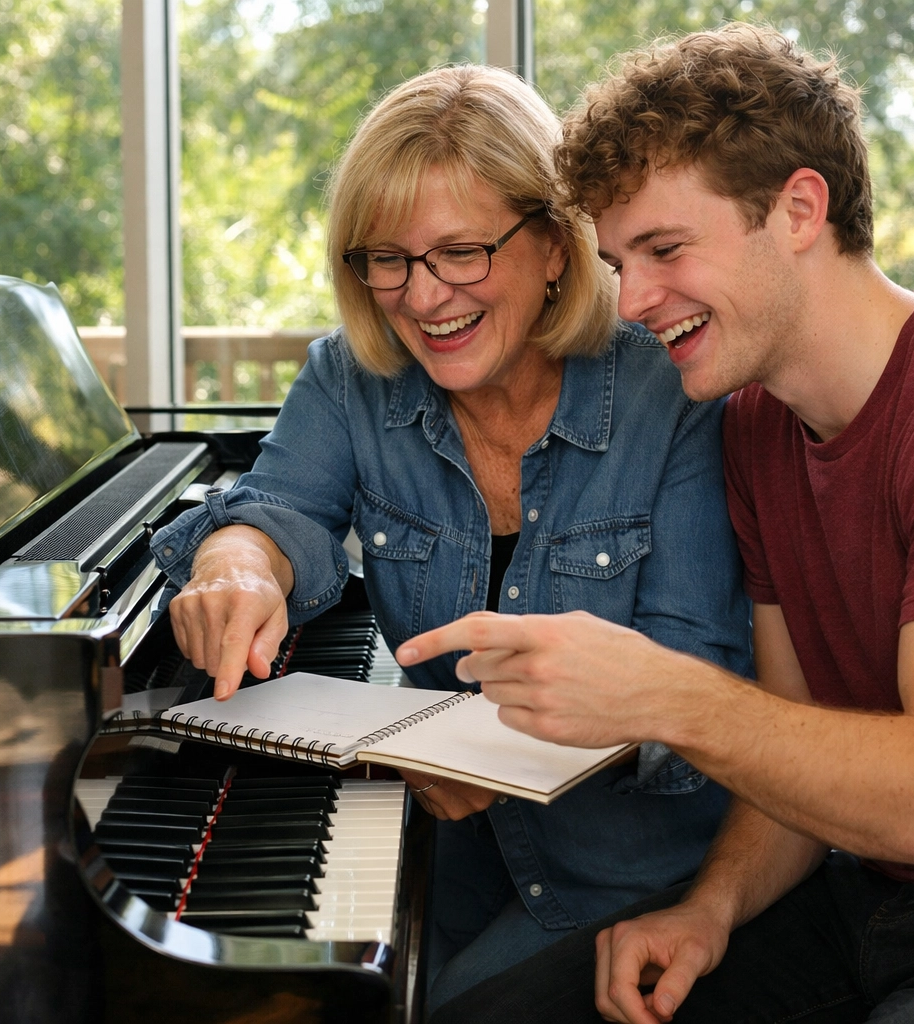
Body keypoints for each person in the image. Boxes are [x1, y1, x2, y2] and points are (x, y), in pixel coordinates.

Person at [403, 25, 914, 1024]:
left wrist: (665, 696)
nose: (634, 303)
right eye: (619, 261)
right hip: (887, 902)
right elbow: (792, 751)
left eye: (665, 250)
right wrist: (708, 912)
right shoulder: (760, 427)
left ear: (800, 209)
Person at [149, 65, 753, 1010]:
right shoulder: (352, 380)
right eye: (385, 258)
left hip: (641, 876)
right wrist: (237, 566)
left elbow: (693, 677)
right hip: (458, 854)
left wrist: (480, 747)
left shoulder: (667, 391)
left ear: (556, 245)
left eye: (462, 252)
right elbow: (281, 509)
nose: (424, 298)